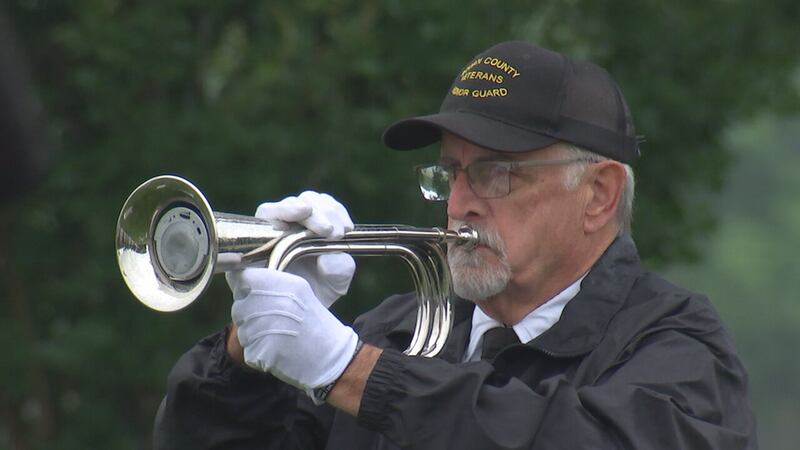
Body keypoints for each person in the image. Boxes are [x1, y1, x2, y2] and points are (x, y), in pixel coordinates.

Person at [153, 41, 757, 449]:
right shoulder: (394, 331)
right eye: (449, 173)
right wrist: (248, 354)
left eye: (496, 173)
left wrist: (352, 372)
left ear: (598, 194)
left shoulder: (679, 344)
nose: (460, 201)